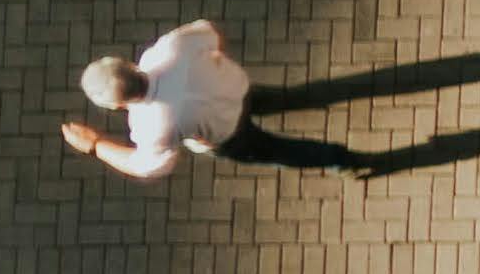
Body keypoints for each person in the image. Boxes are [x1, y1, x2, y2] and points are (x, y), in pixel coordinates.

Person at [59, 19, 377, 181]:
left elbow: (148, 166)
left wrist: (96, 145)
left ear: (116, 106)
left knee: (284, 151)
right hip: (239, 89)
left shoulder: (150, 126)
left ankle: (343, 160)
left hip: (229, 137)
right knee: (285, 98)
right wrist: (215, 66)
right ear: (129, 64)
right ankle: (321, 99)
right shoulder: (168, 49)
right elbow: (211, 32)